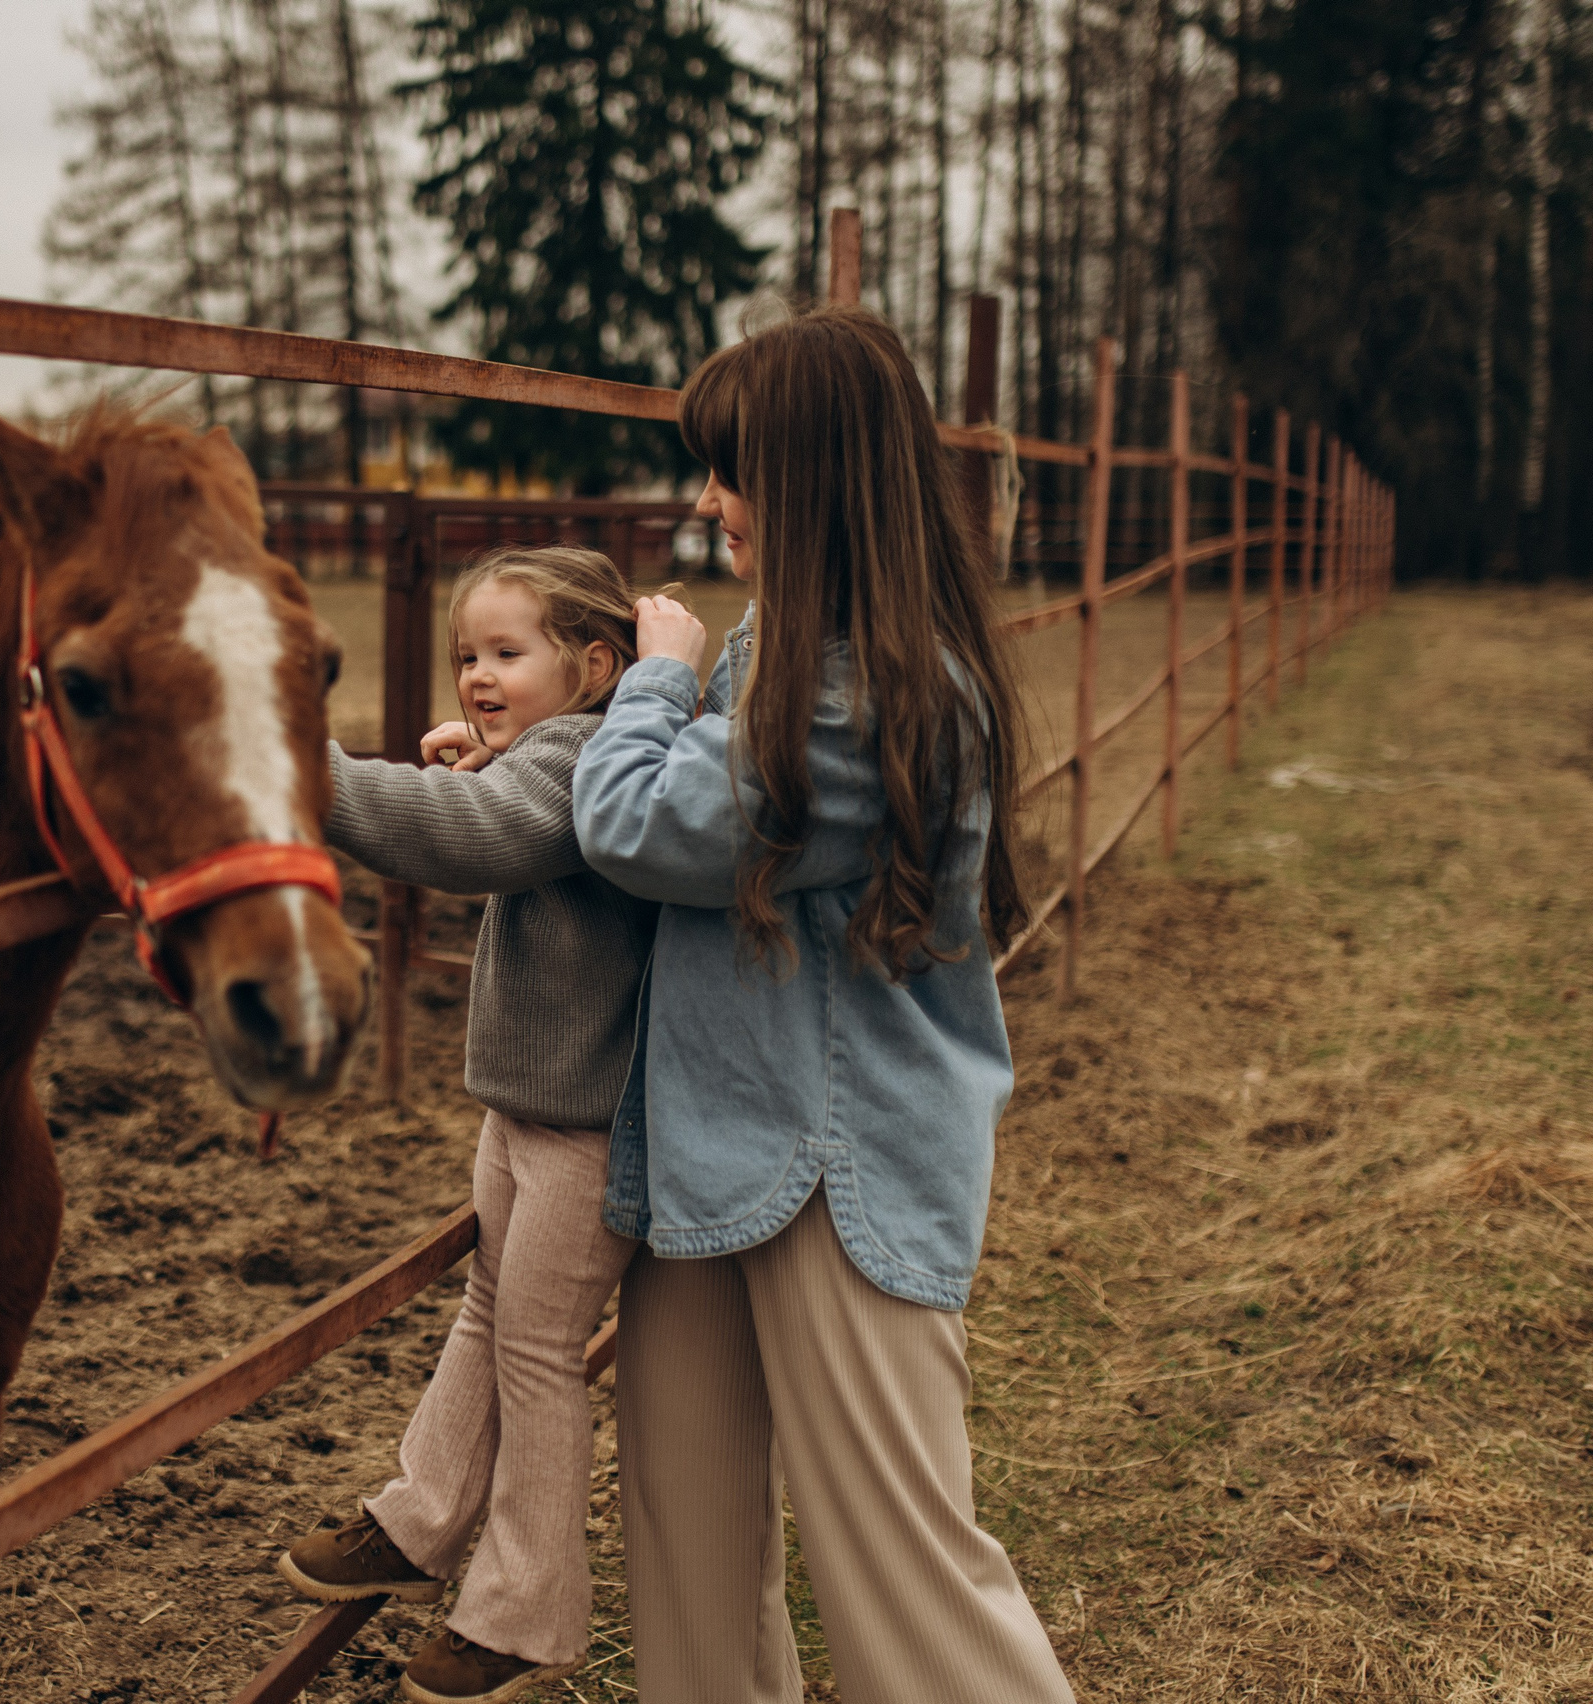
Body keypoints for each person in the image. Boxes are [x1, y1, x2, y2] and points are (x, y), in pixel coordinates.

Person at [572, 304, 1076, 1704]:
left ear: (814, 476)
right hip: (706, 1149)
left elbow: (637, 825)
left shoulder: (885, 701)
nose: (709, 503)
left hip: (838, 1176)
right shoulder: (779, 656)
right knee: (690, 1577)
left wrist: (655, 678)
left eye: (732, 471)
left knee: (910, 1589)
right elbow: (649, 789)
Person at [275, 545, 657, 1704]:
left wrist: (307, 775)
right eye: (465, 657)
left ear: (593, 665)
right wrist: (490, 757)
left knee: (538, 1356)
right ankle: (421, 1518)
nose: (477, 676)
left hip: (588, 1130)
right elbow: (496, 807)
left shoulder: (589, 755)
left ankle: (525, 1612)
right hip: (533, 1105)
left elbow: (475, 838)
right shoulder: (559, 749)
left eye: (506, 653)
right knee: (489, 1311)